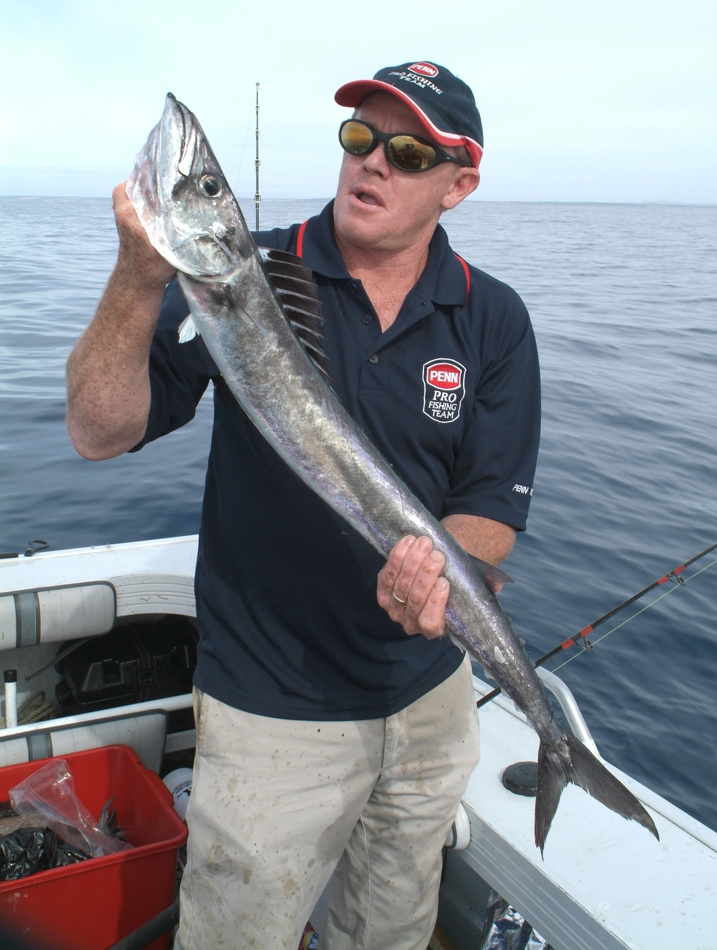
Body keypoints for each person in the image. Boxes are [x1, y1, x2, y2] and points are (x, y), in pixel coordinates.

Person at [66, 61, 540, 950]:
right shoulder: (254, 272)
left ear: (458, 183)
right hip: (269, 706)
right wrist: (137, 276)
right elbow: (98, 432)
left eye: (406, 151)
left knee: (390, 932)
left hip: (429, 701)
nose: (371, 163)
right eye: (358, 139)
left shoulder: (492, 319)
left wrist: (437, 574)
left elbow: (488, 508)